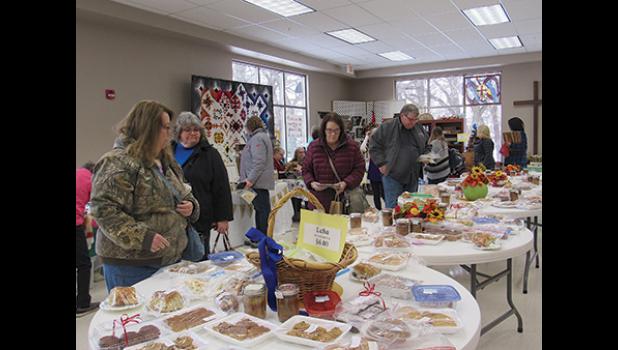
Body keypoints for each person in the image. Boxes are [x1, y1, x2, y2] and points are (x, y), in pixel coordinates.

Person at [90, 100, 200, 291]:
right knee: (136, 319)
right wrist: (143, 237)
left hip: (167, 259)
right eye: (165, 128)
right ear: (148, 128)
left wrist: (191, 206)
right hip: (131, 265)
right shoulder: (117, 162)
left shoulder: (166, 162)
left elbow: (183, 191)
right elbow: (104, 210)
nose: (169, 133)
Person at [172, 112, 233, 259]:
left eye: (196, 129)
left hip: (199, 219)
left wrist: (223, 218)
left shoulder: (210, 154)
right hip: (172, 219)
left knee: (198, 259)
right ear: (179, 132)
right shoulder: (168, 151)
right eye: (188, 130)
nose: (193, 133)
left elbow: (221, 187)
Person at [369, 104, 431, 209]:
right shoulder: (387, 127)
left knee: (411, 208)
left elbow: (428, 145)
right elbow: (374, 145)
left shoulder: (419, 128)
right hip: (393, 176)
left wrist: (426, 155)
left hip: (413, 176)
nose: (413, 122)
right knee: (394, 209)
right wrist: (381, 164)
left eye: (416, 119)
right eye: (411, 119)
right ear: (402, 115)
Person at [303, 112, 365, 213]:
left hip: (345, 201)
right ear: (324, 130)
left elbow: (359, 168)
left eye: (336, 130)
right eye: (329, 130)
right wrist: (311, 183)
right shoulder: (314, 147)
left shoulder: (352, 147)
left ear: (341, 130)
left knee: (345, 228)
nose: (333, 134)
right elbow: (305, 169)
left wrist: (346, 183)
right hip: (319, 201)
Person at [239, 116, 274, 236]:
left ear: (249, 127)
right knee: (261, 210)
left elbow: (259, 162)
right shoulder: (262, 137)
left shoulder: (257, 139)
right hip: (258, 182)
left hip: (257, 182)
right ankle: (261, 236)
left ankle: (262, 237)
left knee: (262, 211)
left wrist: (250, 180)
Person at [76, 161, 99, 315]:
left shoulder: (78, 173)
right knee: (84, 264)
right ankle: (83, 304)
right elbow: (99, 206)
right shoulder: (91, 178)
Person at [361, 125, 384, 210]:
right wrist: (367, 136)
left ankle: (388, 209)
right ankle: (379, 210)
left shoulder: (383, 143)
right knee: (376, 194)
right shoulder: (370, 143)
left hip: (382, 169)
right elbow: (362, 149)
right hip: (373, 170)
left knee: (384, 193)